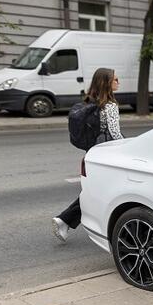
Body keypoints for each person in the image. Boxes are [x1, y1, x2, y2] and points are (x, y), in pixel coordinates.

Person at [52, 68, 122, 242]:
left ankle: (65, 220)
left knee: (97, 191)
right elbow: (115, 134)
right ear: (107, 83)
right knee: (103, 191)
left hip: (93, 153)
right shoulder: (111, 106)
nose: (118, 82)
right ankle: (66, 220)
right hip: (109, 154)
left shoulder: (90, 102)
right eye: (115, 79)